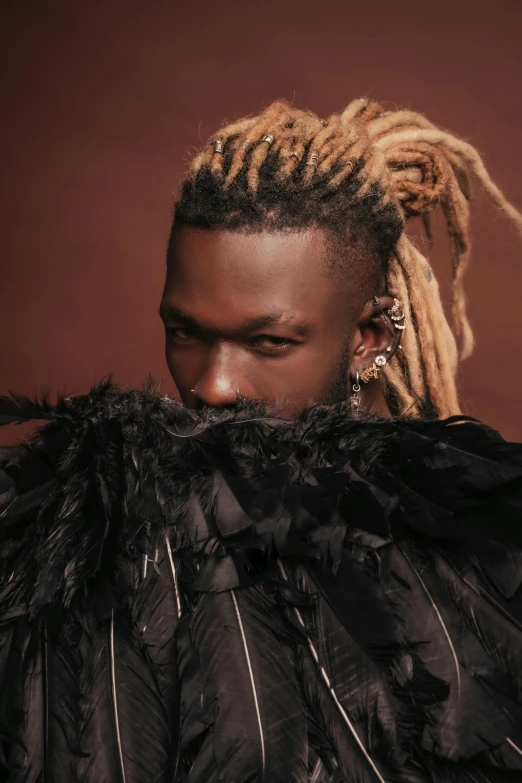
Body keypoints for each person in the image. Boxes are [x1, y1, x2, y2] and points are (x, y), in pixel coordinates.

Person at [1, 98, 522, 783]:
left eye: (267, 341)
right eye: (185, 332)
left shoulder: (483, 559)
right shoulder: (82, 536)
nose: (213, 386)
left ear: (369, 339)